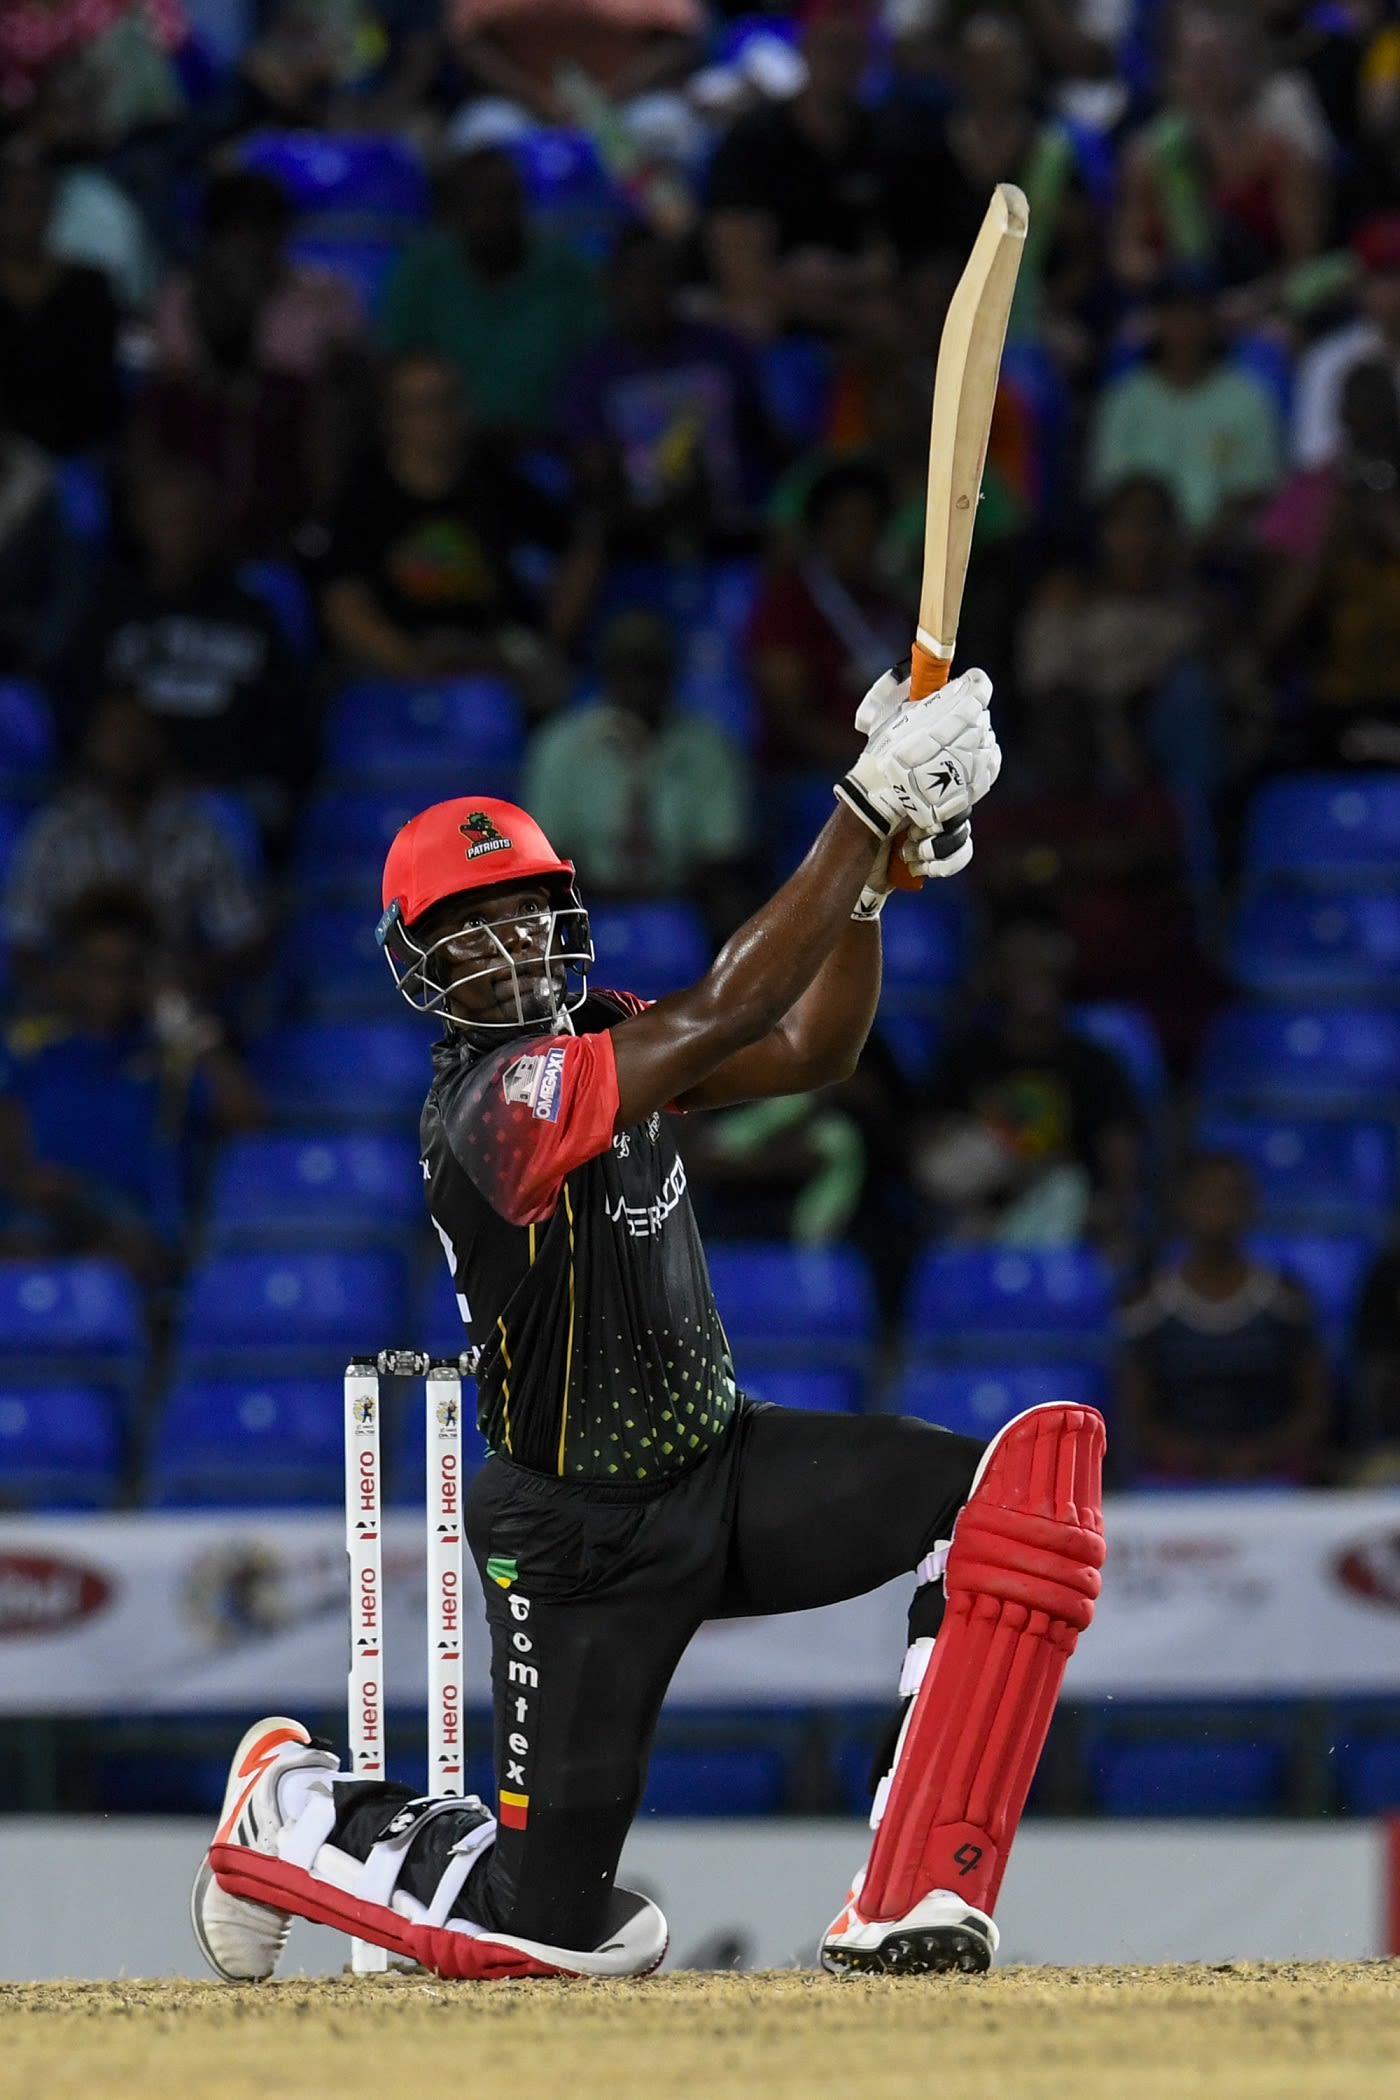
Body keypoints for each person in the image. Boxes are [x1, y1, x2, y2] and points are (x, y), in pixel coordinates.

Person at [191, 662, 1106, 1985]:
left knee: (1011, 1495)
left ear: (567, 918)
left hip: (720, 1472)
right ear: (421, 972)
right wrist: (861, 807)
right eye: (469, 935)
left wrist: (871, 886)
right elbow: (735, 1006)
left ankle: (909, 1901)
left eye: (524, 918)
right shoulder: (493, 1106)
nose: (508, 953)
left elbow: (808, 1053)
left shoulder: (609, 1031)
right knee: (553, 1934)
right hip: (582, 1541)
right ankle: (291, 1811)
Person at [0, 886, 264, 1282]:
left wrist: (181, 1021)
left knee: (112, 1268)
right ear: (70, 971)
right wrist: (27, 1181)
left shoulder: (169, 1054)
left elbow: (250, 1119)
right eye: (93, 969)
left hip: (134, 1227)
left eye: (122, 971)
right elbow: (11, 1156)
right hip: (42, 1214)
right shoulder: (33, 1050)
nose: (107, 987)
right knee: (19, 1258)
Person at [57, 452, 305, 827]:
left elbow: (284, 719)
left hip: (227, 789)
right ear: (141, 522)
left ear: (209, 526)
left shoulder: (251, 612)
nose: (178, 533)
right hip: (125, 790)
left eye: (189, 520)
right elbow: (78, 708)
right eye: (167, 520)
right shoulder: (108, 611)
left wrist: (225, 772)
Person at [321, 350, 573, 694]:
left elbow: (580, 541)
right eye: (419, 406)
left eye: (445, 402)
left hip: (492, 654)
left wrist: (552, 633)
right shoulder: (362, 497)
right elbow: (344, 605)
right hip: (398, 659)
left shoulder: (498, 480)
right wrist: (413, 662)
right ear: (391, 417)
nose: (435, 418)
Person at [2, 691, 266, 1000]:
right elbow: (22, 942)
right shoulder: (55, 830)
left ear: (161, 742)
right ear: (92, 742)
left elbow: (242, 937)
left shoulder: (199, 829)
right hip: (76, 1002)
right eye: (114, 730)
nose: (128, 743)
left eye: (140, 730)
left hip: (166, 998)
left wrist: (194, 977)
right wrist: (63, 986)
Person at [915, 918, 1142, 1259]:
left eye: (1043, 965)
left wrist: (1116, 1215)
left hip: (1071, 1211)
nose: (1033, 975)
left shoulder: (1093, 1063)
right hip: (983, 1213)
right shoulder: (967, 1057)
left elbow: (1119, 1151)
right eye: (1020, 965)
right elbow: (927, 1150)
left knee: (1068, 1190)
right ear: (998, 976)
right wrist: (1001, 1160)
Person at [559, 226, 780, 559]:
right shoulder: (590, 375)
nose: (649, 290)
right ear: (611, 284)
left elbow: (766, 438)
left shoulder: (725, 351)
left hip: (739, 536)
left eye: (660, 275)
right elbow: (594, 480)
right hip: (640, 550)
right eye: (637, 277)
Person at [520, 608, 753, 914]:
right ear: (605, 671)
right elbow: (548, 852)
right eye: (627, 668)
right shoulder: (560, 746)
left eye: (650, 668)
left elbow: (722, 854)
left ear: (671, 673)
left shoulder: (708, 748)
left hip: (683, 908)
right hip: (586, 906)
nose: (639, 682)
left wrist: (657, 903)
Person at [1118, 1151, 1331, 1483]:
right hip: (1176, 1475)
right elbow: (1134, 1414)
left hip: (1271, 1469)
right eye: (1206, 1197)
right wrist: (1193, 1458)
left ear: (1251, 1208)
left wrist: (1262, 1454)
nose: (1218, 1210)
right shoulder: (1147, 1303)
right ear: (1182, 1206)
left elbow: (1314, 1405)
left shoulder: (1285, 1298)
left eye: (1230, 1197)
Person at [378, 145, 607, 437]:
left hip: (552, 445)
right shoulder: (419, 275)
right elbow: (399, 368)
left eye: (504, 202)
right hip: (448, 450)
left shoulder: (570, 273)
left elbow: (596, 365)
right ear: (455, 211)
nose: (493, 216)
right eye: (479, 203)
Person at [1088, 268, 1282, 544]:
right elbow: (1110, 488)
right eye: (1173, 312)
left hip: (1218, 553)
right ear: (1157, 319)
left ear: (1212, 320)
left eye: (1194, 312)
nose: (1183, 325)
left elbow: (1255, 490)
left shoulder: (1248, 397)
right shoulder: (1126, 397)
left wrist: (1199, 545)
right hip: (1137, 547)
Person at [747, 459, 910, 774]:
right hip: (808, 780)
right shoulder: (787, 607)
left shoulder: (896, 608)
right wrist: (872, 762)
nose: (860, 537)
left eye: (870, 523)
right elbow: (788, 720)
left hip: (893, 777)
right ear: (819, 533)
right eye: (847, 524)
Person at [0, 144, 119, 457]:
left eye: (34, 200)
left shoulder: (90, 288)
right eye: (13, 201)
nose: (24, 213)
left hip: (73, 454)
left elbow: (99, 391)